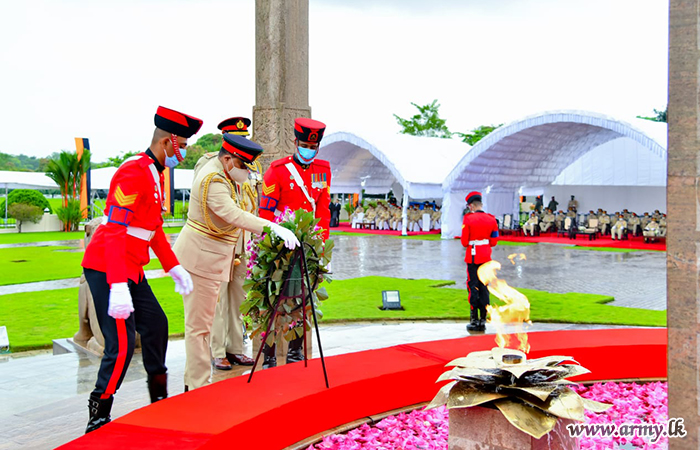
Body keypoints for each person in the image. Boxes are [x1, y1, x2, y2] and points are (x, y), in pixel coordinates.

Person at [80, 106, 200, 433]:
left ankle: (158, 397)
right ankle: (99, 411)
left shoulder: (155, 173)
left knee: (157, 325)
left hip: (130, 267)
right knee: (119, 344)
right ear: (167, 143)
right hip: (108, 268)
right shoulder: (133, 172)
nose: (184, 153)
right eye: (183, 147)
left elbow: (152, 230)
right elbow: (117, 231)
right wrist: (118, 285)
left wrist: (174, 268)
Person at [173, 133, 300, 390]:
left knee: (203, 325)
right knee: (199, 329)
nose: (246, 171)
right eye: (243, 165)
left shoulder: (226, 173)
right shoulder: (214, 179)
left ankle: (194, 385)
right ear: (228, 159)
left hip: (212, 257)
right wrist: (271, 228)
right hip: (201, 260)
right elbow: (233, 214)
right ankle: (197, 388)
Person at [259, 117, 331, 368]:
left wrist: (321, 246)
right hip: (280, 244)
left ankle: (295, 350)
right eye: (304, 145)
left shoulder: (323, 169)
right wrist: (269, 243)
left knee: (303, 299)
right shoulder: (278, 170)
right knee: (272, 300)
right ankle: (268, 352)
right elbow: (266, 212)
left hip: (307, 245)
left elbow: (323, 210)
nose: (309, 150)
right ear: (295, 142)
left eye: (313, 147)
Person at [210, 116, 260, 371]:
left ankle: (236, 349)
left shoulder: (248, 169)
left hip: (242, 244)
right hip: (220, 243)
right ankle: (218, 351)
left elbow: (252, 206)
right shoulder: (210, 166)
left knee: (239, 299)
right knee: (218, 300)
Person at [460, 191, 498, 334]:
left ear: (471, 206)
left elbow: (464, 242)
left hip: (473, 257)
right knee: (484, 288)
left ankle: (474, 319)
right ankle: (483, 318)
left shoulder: (468, 219)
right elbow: (494, 241)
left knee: (472, 287)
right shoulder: (491, 219)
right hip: (486, 257)